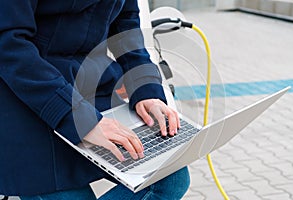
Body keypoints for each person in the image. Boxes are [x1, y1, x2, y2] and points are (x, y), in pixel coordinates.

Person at [0, 0, 190, 199]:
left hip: (90, 90)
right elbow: (8, 45)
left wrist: (146, 90)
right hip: (24, 99)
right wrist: (79, 117)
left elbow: (126, 24)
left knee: (169, 178)